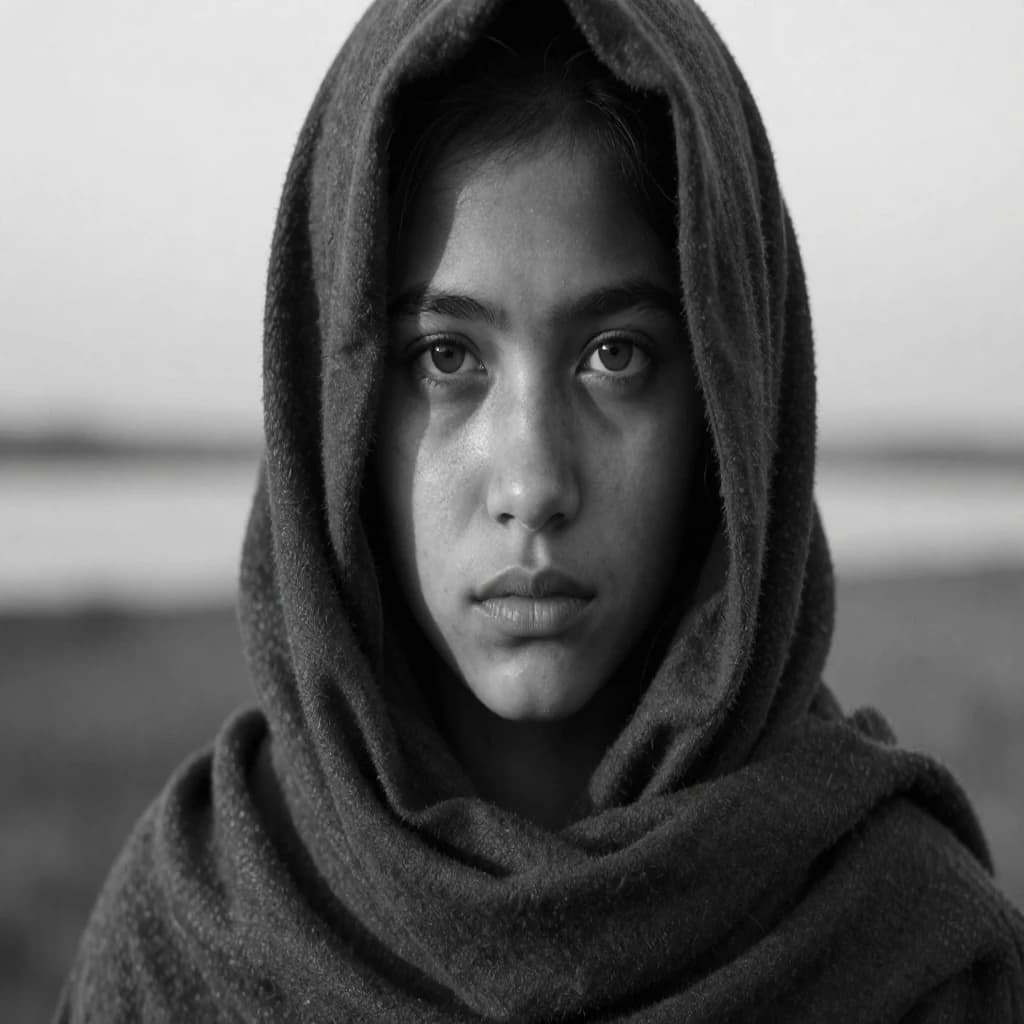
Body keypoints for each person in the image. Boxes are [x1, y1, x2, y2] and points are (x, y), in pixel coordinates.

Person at [57, 0, 1024, 1020]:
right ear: (332, 414)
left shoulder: (908, 955)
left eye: (615, 355)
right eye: (446, 357)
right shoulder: (192, 940)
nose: (531, 484)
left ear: (728, 410)